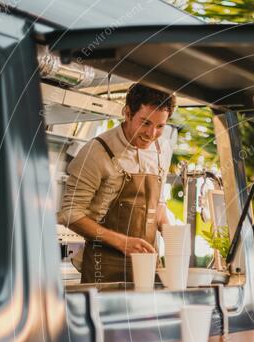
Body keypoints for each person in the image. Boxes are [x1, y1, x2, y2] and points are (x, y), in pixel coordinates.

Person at [58, 83, 176, 284]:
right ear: (127, 113)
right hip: (103, 269)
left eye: (160, 126)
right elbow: (70, 213)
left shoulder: (161, 149)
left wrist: (172, 237)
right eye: (145, 123)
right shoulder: (96, 152)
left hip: (148, 267)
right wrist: (122, 242)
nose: (151, 133)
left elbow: (157, 203)